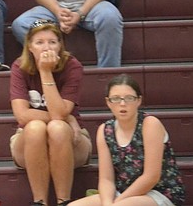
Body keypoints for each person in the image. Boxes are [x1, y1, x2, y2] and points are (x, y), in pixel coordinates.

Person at [10, 19, 92, 206]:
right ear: (30, 47)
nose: (46, 48)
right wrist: (68, 118)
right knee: (35, 127)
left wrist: (45, 72)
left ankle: (64, 201)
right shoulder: (19, 66)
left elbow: (58, 115)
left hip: (72, 140)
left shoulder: (72, 65)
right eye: (40, 42)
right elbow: (22, 115)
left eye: (52, 42)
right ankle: (39, 202)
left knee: (57, 128)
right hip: (28, 141)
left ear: (60, 46)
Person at [70, 74, 185, 206]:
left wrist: (118, 202)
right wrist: (108, 203)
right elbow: (106, 179)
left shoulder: (150, 124)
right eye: (116, 99)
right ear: (108, 102)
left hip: (159, 192)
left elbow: (151, 177)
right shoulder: (105, 130)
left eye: (129, 98)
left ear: (138, 100)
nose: (122, 104)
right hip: (122, 193)